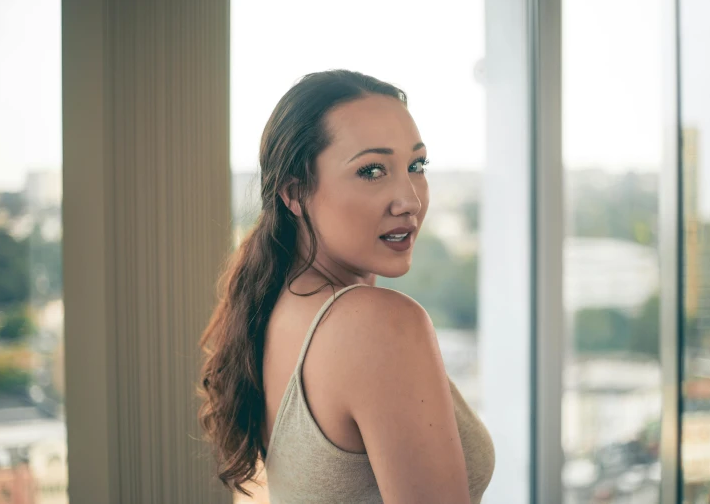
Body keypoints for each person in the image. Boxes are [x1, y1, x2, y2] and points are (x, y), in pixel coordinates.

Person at [199, 70, 495, 503]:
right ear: (295, 193)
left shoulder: (276, 307)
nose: (409, 199)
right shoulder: (378, 324)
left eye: (416, 166)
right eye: (372, 170)